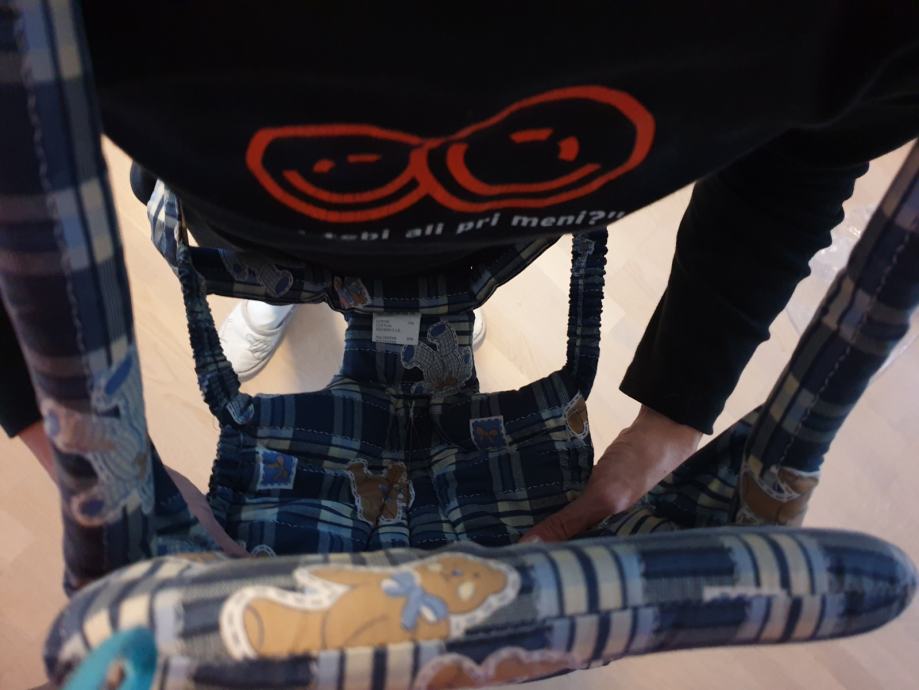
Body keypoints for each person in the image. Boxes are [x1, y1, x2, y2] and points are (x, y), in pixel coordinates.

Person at [2, 3, 918, 548]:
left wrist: (674, 416)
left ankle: (416, 310)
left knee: (433, 287)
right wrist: (79, 453)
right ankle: (312, 297)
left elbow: (815, 145)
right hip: (256, 223)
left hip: (498, 237)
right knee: (279, 266)